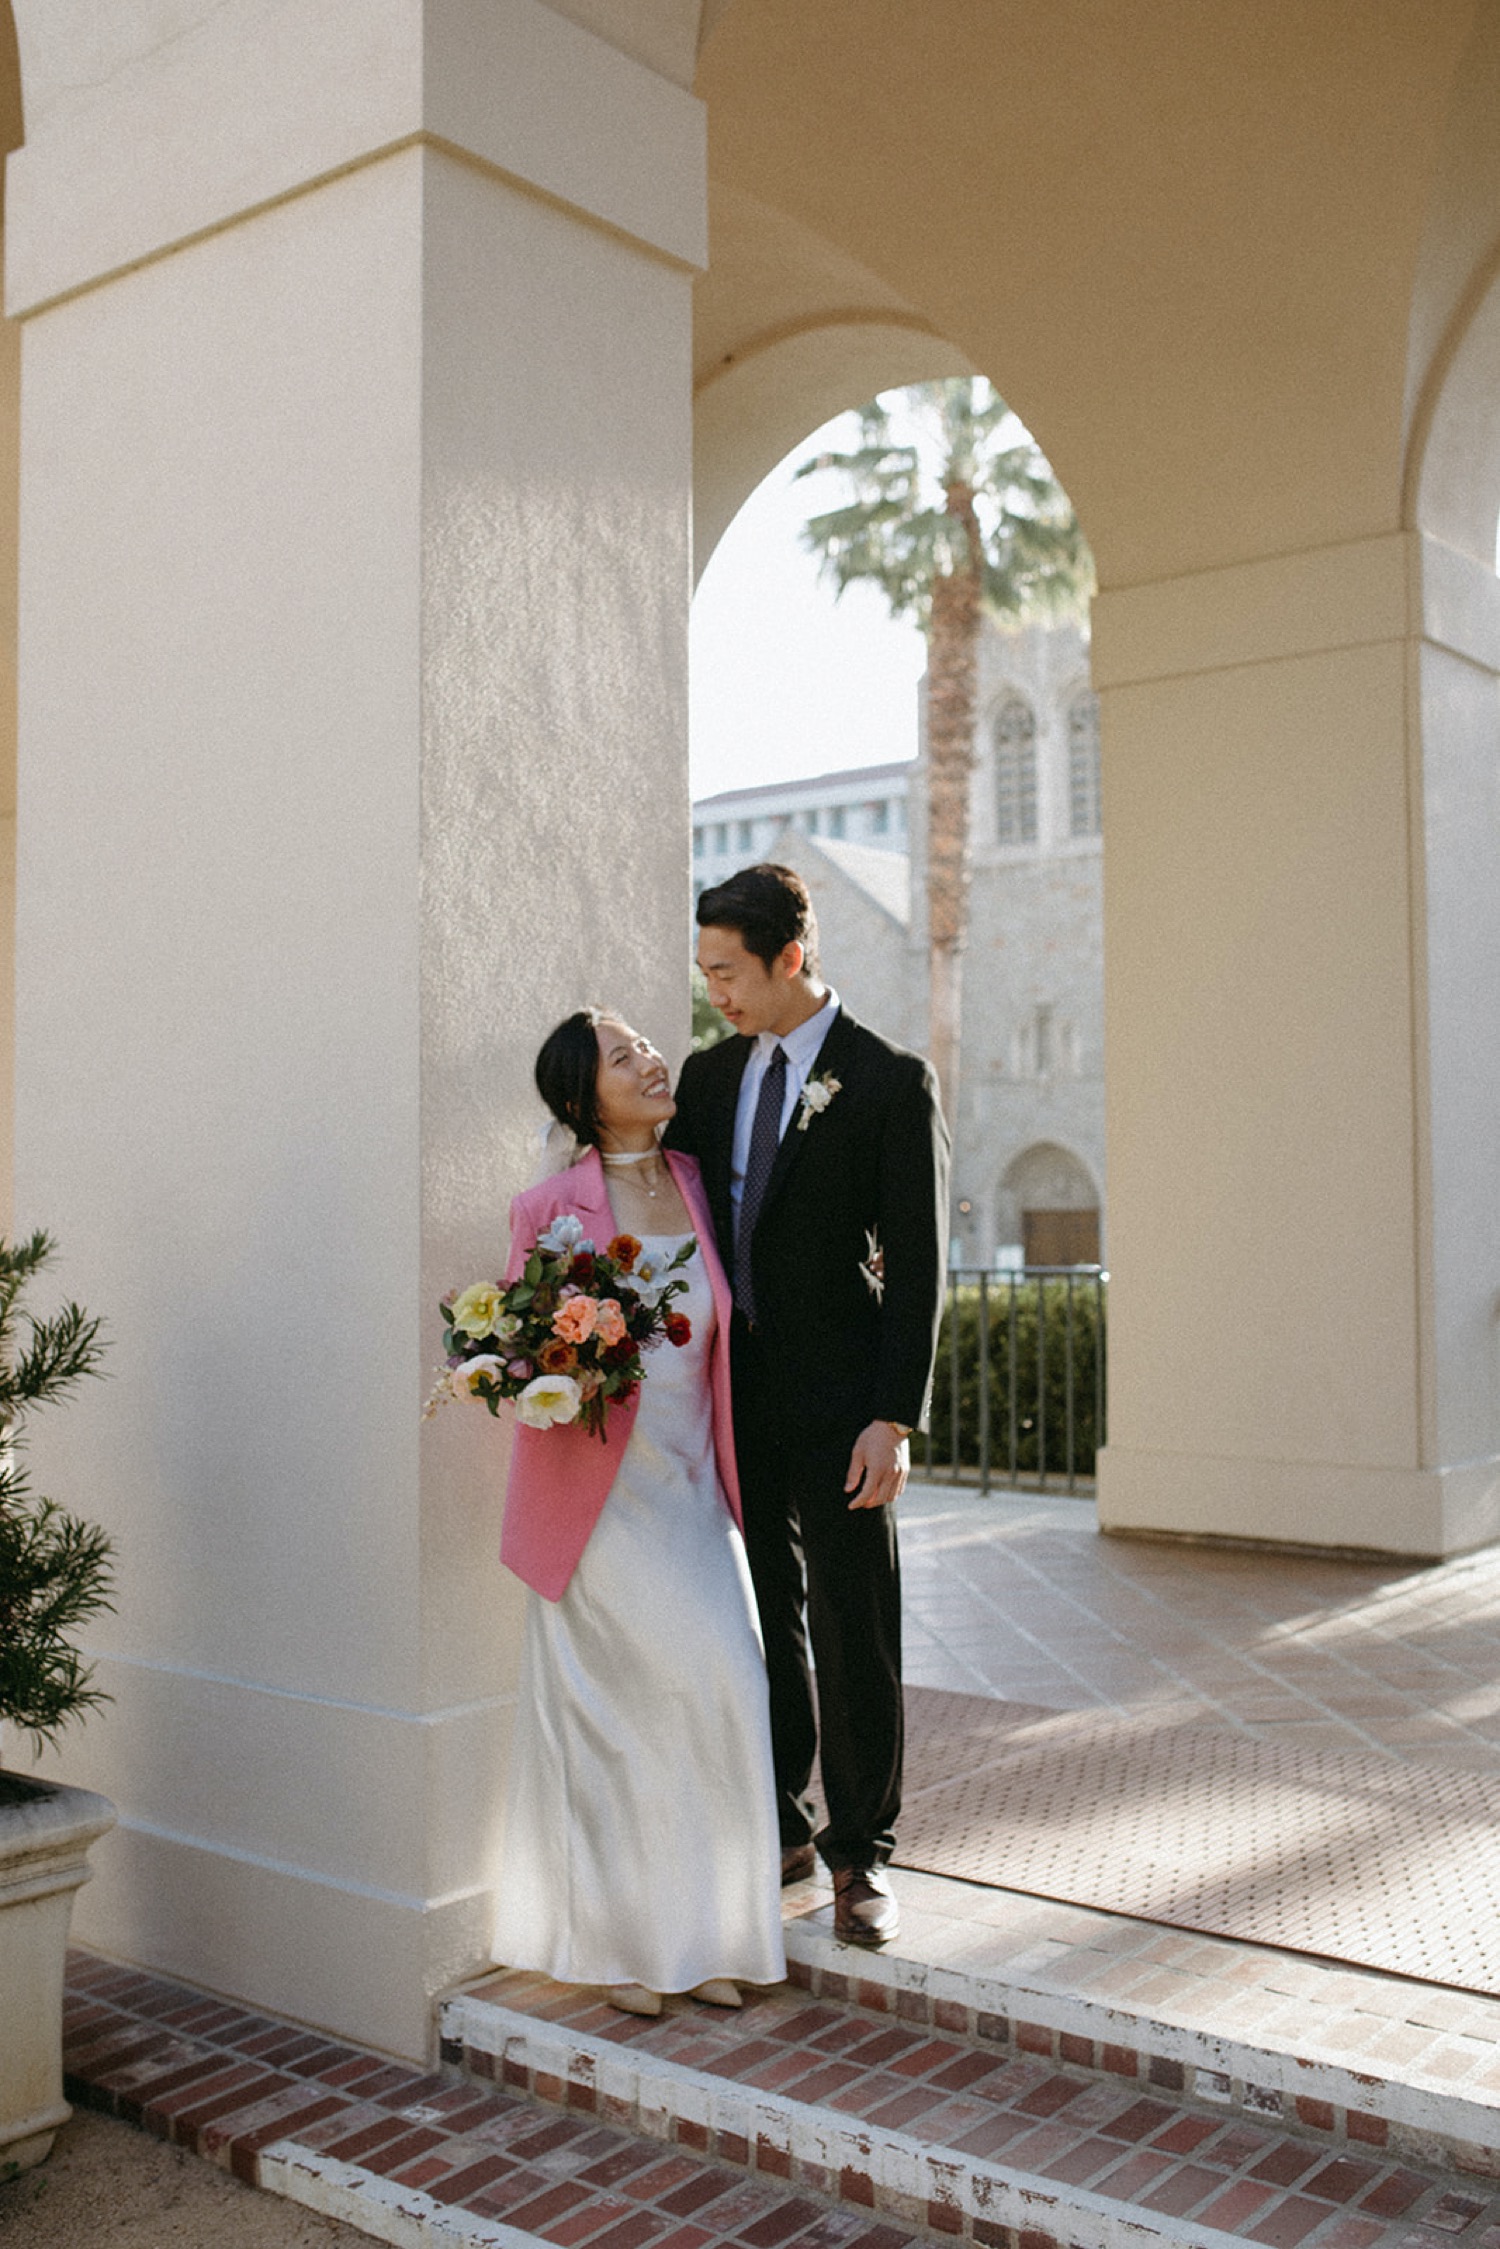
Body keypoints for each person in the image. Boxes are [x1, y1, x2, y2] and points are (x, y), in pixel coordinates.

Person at [666, 865, 949, 1946]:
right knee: (765, 1620)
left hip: (844, 1405)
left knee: (852, 1623)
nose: (717, 991)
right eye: (706, 972)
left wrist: (895, 1414)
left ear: (791, 955)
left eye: (729, 970)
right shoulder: (708, 1073)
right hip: (736, 1396)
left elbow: (920, 1264)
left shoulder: (886, 1080)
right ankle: (781, 1821)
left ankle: (860, 1854)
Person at [491, 1008, 785, 2016]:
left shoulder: (705, 1181)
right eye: (624, 1057)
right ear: (585, 1095)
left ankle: (706, 1938)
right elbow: (517, 1348)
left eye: (645, 1045)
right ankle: (622, 1945)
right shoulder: (548, 1204)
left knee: (721, 1690)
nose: (651, 1059)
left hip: (695, 1492)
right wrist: (558, 1356)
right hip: (601, 1504)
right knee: (621, 1715)